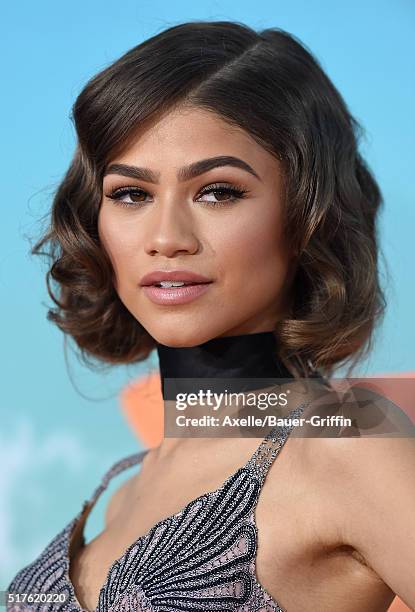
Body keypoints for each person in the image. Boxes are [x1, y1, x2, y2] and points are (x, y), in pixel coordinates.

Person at [6, 20, 415, 612]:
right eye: (130, 194)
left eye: (218, 191)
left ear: (307, 217)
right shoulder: (120, 489)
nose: (166, 237)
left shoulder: (347, 444)